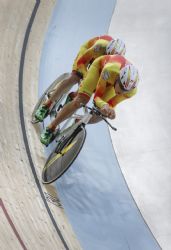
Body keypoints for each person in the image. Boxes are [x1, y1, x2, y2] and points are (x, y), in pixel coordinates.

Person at [40, 54, 139, 146]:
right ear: (118, 78)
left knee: (103, 114)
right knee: (81, 100)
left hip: (111, 84)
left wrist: (110, 111)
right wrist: (103, 105)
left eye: (125, 90)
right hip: (99, 70)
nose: (122, 91)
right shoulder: (110, 70)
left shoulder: (131, 92)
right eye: (121, 87)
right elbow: (97, 97)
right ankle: (51, 127)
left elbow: (112, 103)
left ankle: (78, 122)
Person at [35, 35, 126, 122]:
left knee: (87, 91)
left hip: (98, 68)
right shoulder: (100, 46)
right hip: (87, 55)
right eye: (106, 55)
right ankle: (47, 105)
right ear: (106, 50)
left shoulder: (117, 69)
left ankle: (73, 97)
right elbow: (81, 62)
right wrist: (85, 76)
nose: (107, 58)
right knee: (75, 77)